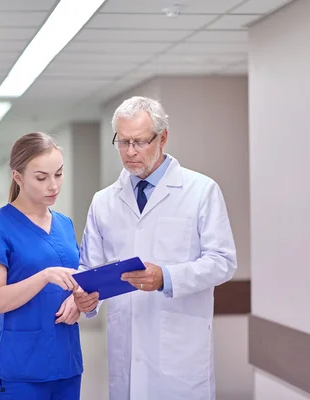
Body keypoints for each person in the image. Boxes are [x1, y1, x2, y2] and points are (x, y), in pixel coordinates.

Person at [73, 96, 237, 399]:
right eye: (122, 142)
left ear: (162, 138)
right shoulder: (104, 201)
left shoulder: (201, 191)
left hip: (180, 355)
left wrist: (167, 277)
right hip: (126, 351)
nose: (130, 152)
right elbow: (89, 268)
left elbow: (223, 261)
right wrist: (86, 299)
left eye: (139, 142)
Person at [0, 132, 83, 400]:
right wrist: (44, 276)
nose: (53, 185)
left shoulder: (64, 224)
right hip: (20, 368)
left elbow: (73, 283)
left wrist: (79, 302)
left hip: (66, 360)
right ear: (18, 177)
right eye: (41, 177)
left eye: (58, 174)